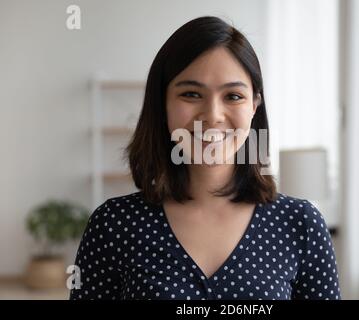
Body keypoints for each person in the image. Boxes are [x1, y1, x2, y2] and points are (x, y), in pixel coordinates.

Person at [69, 16, 340, 300]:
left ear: (254, 106)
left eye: (233, 96)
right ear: (162, 103)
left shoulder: (300, 224)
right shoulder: (114, 225)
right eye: (191, 94)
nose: (212, 115)